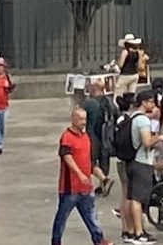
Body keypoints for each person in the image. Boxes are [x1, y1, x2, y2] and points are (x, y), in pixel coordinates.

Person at [52, 104, 107, 245]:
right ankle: (56, 241)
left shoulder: (85, 136)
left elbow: (88, 160)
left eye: (85, 119)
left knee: (91, 216)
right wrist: (79, 174)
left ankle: (99, 239)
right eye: (80, 119)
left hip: (85, 187)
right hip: (70, 187)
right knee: (62, 217)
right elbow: (67, 157)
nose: (83, 122)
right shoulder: (67, 137)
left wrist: (100, 176)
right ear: (73, 119)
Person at [124, 85, 163, 245]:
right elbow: (147, 142)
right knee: (138, 199)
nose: (153, 105)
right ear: (143, 102)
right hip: (142, 162)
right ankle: (139, 233)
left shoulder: (132, 117)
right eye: (150, 101)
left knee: (130, 197)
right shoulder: (143, 120)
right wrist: (159, 137)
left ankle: (130, 231)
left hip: (132, 161)